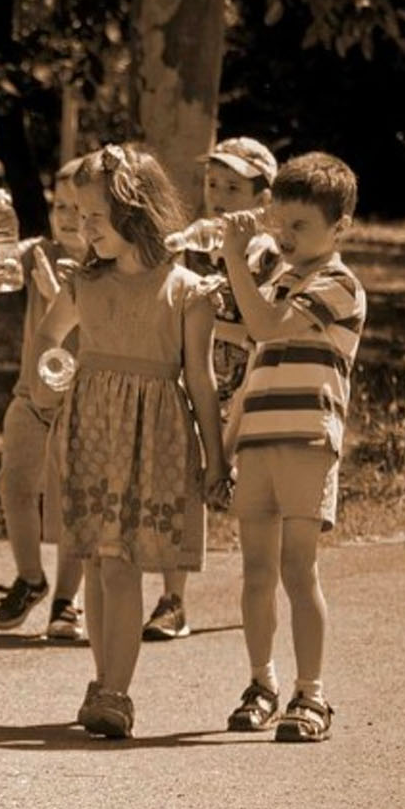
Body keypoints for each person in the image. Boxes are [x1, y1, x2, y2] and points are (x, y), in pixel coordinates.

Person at [31, 145, 230, 739]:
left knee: (123, 565)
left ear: (135, 210)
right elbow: (50, 339)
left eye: (94, 217)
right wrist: (55, 375)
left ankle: (117, 691)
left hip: (156, 435)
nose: (83, 229)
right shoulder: (83, 284)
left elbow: (201, 378)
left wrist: (215, 457)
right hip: (91, 428)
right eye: (77, 216)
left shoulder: (188, 291)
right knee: (96, 557)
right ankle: (104, 681)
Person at [219, 152, 365, 743]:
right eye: (280, 223)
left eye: (300, 226)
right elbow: (256, 362)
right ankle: (262, 683)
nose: (284, 236)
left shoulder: (337, 283)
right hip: (257, 439)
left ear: (340, 228)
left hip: (307, 440)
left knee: (297, 570)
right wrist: (224, 445)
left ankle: (312, 694)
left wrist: (233, 261)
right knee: (256, 572)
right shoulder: (278, 280)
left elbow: (266, 327)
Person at [144, 135, 282, 642]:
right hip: (196, 382)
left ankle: (260, 589)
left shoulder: (269, 254)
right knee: (182, 487)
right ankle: (172, 599)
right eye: (212, 183)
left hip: (251, 388)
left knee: (252, 497)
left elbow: (260, 321)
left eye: (233, 186)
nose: (219, 194)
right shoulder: (191, 248)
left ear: (262, 199)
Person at [0, 157, 89, 641]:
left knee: (74, 501)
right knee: (15, 487)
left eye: (82, 208)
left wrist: (59, 298)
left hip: (86, 400)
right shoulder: (39, 252)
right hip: (31, 395)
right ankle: (31, 579)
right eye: (61, 206)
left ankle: (68, 602)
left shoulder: (108, 265)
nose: (69, 217)